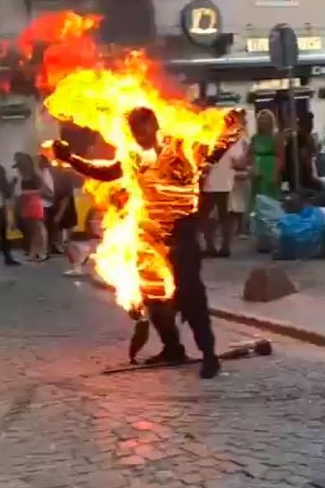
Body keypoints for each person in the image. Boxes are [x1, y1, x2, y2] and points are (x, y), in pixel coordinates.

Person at [52, 106, 240, 379]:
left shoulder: (182, 148)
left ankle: (209, 356)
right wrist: (71, 159)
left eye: (141, 130)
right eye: (133, 132)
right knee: (153, 296)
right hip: (150, 237)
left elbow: (218, 146)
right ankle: (172, 347)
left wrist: (229, 126)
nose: (137, 136)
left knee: (191, 296)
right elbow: (106, 172)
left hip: (182, 233)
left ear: (154, 125)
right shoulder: (132, 156)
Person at [200, 135, 246, 258]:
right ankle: (210, 246)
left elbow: (239, 162)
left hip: (225, 183)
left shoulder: (235, 141)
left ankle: (225, 247)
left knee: (225, 216)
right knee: (206, 215)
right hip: (209, 182)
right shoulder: (206, 137)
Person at [14, 153, 47, 262]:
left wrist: (28, 193)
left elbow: (43, 189)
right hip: (27, 204)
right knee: (32, 230)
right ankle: (34, 252)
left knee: (39, 228)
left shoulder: (35, 175)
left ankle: (42, 252)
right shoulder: (23, 176)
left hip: (35, 203)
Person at [249, 109, 280, 203]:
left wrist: (276, 173)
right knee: (258, 195)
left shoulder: (276, 137)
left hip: (271, 168)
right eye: (261, 119)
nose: (263, 121)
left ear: (271, 121)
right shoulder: (255, 137)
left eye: (266, 119)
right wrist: (252, 168)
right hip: (257, 168)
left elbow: (280, 157)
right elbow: (250, 154)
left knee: (270, 197)